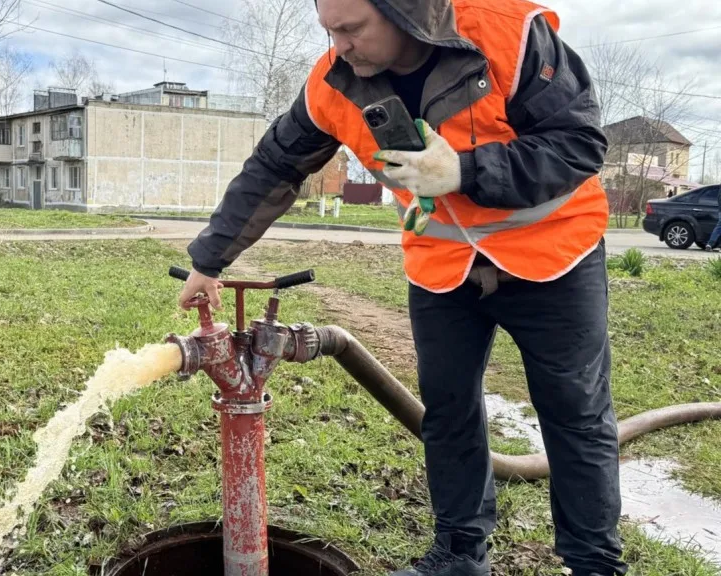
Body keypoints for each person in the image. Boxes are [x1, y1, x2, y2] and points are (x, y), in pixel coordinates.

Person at [176, 0, 627, 574]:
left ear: (405, 11)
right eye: (329, 30)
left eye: (351, 28)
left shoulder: (508, 34)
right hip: (443, 264)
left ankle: (593, 564)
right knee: (448, 410)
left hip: (553, 255)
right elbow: (273, 167)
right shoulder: (332, 83)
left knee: (575, 412)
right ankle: (459, 555)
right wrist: (209, 260)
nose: (338, 44)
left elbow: (580, 144)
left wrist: (464, 171)